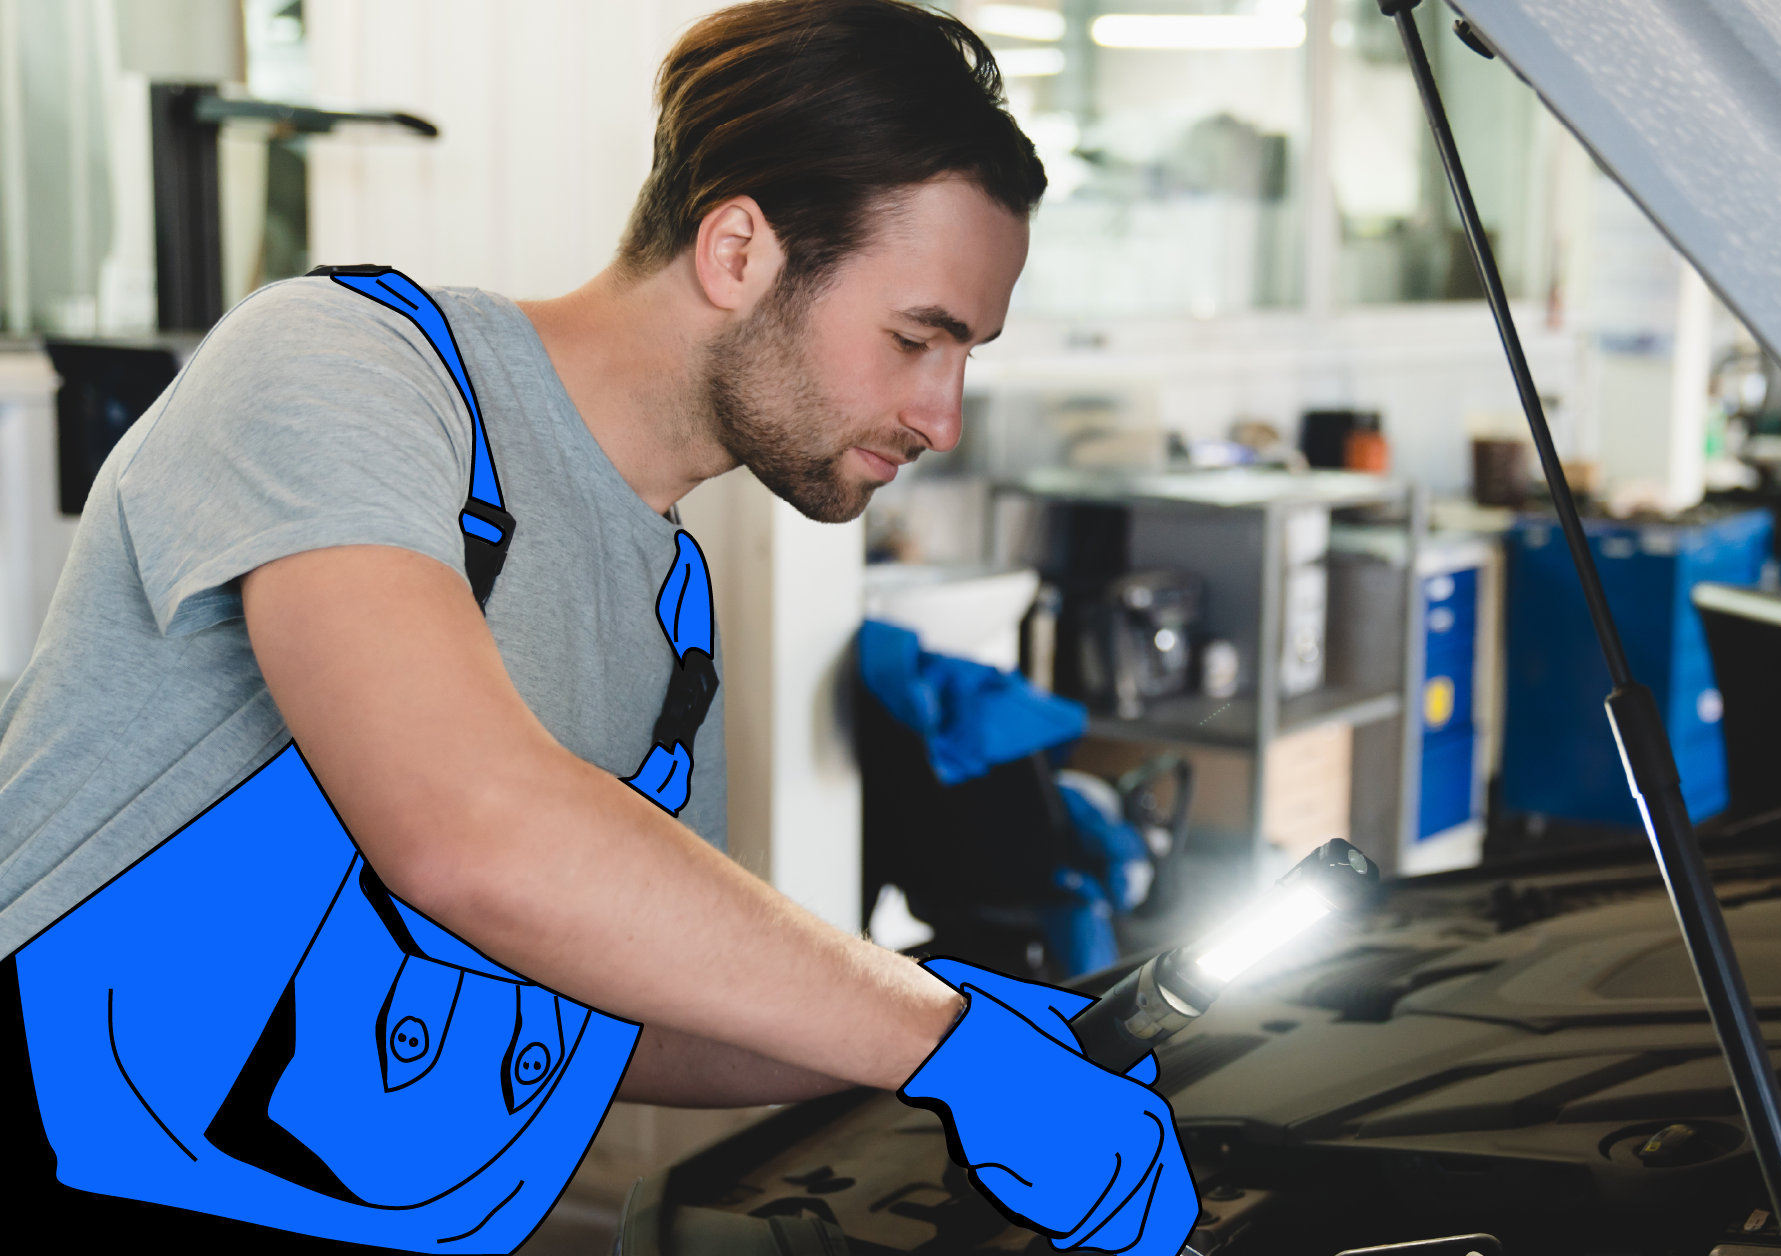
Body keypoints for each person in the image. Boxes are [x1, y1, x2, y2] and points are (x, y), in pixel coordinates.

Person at [0, 2, 1196, 1253]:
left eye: (966, 356)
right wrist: (935, 1039)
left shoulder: (671, 620)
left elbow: (612, 1002)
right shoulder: (349, 365)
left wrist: (955, 1018)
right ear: (739, 249)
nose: (942, 413)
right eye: (916, 338)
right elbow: (467, 827)